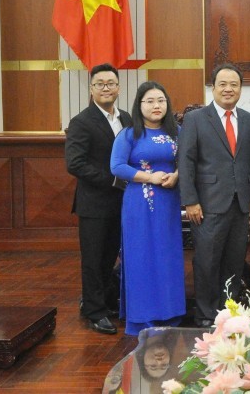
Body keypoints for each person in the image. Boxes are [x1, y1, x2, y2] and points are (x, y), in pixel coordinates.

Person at [178, 63, 250, 328]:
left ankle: (229, 312)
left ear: (240, 89)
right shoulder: (195, 119)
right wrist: (190, 200)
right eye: (222, 84)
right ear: (213, 87)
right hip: (207, 203)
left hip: (240, 204)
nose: (228, 89)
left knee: (235, 261)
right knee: (206, 261)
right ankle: (204, 315)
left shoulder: (249, 120)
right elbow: (186, 161)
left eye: (234, 84)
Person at [110, 81, 186, 336]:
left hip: (168, 202)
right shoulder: (129, 134)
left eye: (161, 101)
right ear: (139, 105)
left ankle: (171, 313)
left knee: (167, 255)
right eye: (150, 101)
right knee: (141, 256)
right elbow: (117, 166)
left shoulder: (178, 132)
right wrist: (149, 177)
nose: (156, 106)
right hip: (138, 205)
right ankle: (143, 318)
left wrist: (177, 174)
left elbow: (189, 160)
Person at [65, 63, 131, 335]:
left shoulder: (127, 119)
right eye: (100, 84)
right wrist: (113, 180)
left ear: (118, 87)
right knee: (93, 259)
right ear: (92, 89)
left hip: (122, 203)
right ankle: (93, 311)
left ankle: (103, 301)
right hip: (94, 203)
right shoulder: (81, 122)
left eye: (111, 83)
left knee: (109, 257)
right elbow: (75, 163)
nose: (106, 88)